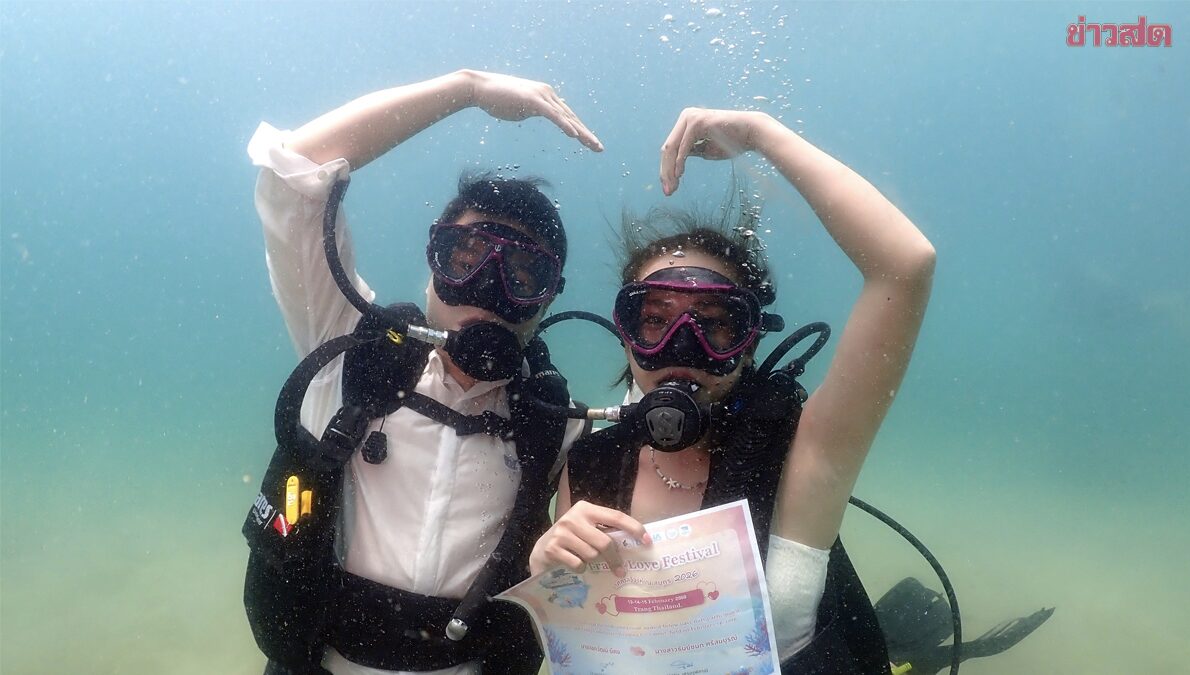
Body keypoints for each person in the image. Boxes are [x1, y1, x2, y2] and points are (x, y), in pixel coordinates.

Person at [529, 107, 936, 673]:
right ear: (624, 334)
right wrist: (552, 573)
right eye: (655, 319)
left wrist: (761, 135)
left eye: (716, 322)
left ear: (747, 343)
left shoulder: (801, 454)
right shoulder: (593, 464)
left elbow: (904, 266)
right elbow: (597, 642)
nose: (682, 345)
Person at [243, 70, 601, 675]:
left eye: (521, 275)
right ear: (433, 261)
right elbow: (290, 173)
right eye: (465, 259)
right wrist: (466, 89)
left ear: (547, 299)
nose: (487, 289)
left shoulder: (558, 430)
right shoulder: (344, 351)